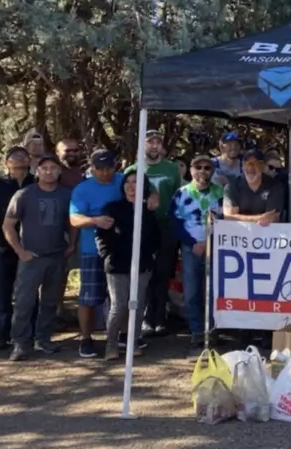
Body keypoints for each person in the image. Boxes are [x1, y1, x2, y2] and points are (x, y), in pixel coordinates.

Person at [71, 150, 147, 359]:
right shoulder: (82, 189)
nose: (105, 173)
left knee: (121, 298)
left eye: (109, 168)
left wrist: (154, 196)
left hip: (122, 250)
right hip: (92, 250)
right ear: (92, 167)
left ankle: (122, 336)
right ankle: (86, 339)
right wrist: (95, 221)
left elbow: (145, 186)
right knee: (90, 296)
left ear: (116, 166)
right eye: (100, 168)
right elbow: (74, 219)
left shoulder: (123, 180)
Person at [3, 154, 74, 361]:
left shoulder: (66, 194)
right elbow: (8, 226)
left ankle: (44, 339)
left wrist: (71, 245)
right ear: (38, 171)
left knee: (50, 302)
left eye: (53, 168)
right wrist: (20, 251)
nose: (49, 171)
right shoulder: (24, 195)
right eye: (45, 168)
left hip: (57, 255)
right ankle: (20, 343)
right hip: (31, 257)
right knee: (24, 302)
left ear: (59, 171)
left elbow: (72, 223)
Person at [96, 170, 160, 360]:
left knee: (138, 305)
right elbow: (102, 236)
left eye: (136, 182)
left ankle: (133, 342)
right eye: (128, 182)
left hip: (143, 265)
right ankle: (111, 344)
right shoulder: (112, 208)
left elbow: (156, 235)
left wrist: (152, 256)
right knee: (120, 305)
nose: (131, 186)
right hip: (117, 265)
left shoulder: (147, 210)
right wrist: (107, 255)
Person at [127, 130, 183, 339]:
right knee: (144, 274)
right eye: (150, 142)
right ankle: (145, 319)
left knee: (163, 273)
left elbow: (180, 195)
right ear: (143, 145)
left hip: (167, 226)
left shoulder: (171, 169)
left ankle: (160, 319)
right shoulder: (133, 169)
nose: (154, 146)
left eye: (158, 142)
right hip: (143, 227)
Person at [170, 154, 224, 359]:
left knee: (213, 292)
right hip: (191, 249)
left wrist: (211, 242)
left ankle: (212, 331)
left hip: (216, 247)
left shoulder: (220, 192)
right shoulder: (181, 193)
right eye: (198, 167)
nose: (202, 171)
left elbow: (228, 219)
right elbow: (174, 222)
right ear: (191, 170)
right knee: (192, 292)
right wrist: (193, 244)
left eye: (207, 168)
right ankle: (196, 333)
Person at [0, 147, 33, 350]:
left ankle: (29, 333)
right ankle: (2, 335)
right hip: (2, 248)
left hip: (32, 247)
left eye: (22, 156)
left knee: (29, 292)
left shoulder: (37, 183)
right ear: (6, 163)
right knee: (3, 292)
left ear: (29, 161)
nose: (19, 160)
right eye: (13, 157)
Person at [223, 149, 286, 226]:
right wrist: (259, 218)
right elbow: (229, 218)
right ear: (242, 165)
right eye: (247, 164)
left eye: (255, 164)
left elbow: (273, 218)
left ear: (262, 166)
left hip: (266, 235)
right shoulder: (232, 186)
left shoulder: (275, 186)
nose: (251, 168)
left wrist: (239, 218)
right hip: (238, 234)